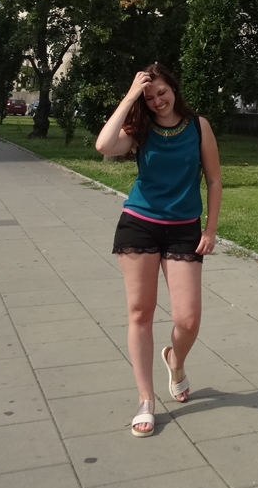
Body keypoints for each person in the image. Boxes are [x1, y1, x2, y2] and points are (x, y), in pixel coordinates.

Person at [95, 64, 222, 437]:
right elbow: (104, 146)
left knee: (187, 320)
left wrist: (211, 228)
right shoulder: (140, 128)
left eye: (161, 92)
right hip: (140, 223)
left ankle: (175, 360)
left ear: (173, 89)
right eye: (150, 97)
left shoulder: (198, 126)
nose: (157, 100)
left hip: (184, 228)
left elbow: (213, 180)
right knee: (140, 312)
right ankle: (146, 399)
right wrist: (132, 95)